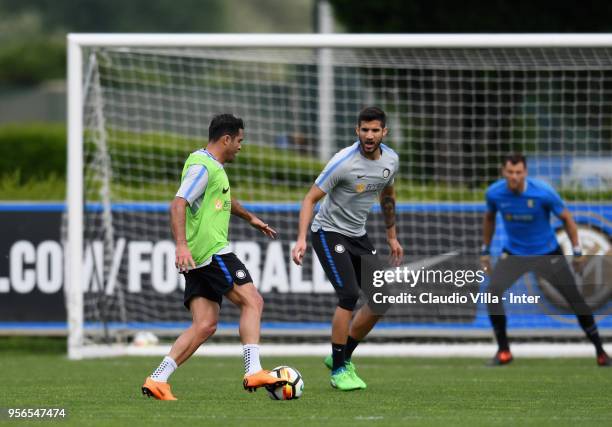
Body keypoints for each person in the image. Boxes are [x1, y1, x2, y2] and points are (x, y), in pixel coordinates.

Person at [142, 114, 287, 400]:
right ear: (226, 139)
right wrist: (181, 245)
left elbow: (223, 199)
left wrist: (250, 218)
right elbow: (178, 203)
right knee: (253, 301)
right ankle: (253, 370)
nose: (240, 147)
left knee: (205, 324)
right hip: (210, 252)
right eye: (239, 141)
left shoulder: (210, 166)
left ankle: (158, 379)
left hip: (199, 257)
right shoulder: (202, 166)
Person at [291, 106, 404, 391]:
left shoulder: (391, 160)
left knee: (382, 298)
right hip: (328, 233)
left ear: (384, 132)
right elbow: (309, 199)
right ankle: (340, 370)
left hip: (358, 235)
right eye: (364, 130)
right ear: (357, 131)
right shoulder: (343, 161)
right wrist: (301, 238)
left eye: (375, 130)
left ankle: (340, 355)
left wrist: (392, 237)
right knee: (349, 294)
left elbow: (387, 196)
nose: (369, 135)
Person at [481, 153, 610, 366]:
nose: (514, 177)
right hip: (515, 254)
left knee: (575, 299)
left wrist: (577, 251)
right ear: (503, 172)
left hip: (547, 253)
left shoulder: (543, 192)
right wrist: (485, 251)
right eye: (510, 172)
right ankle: (504, 352)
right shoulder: (494, 194)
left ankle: (601, 352)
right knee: (493, 293)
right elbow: (489, 218)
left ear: (525, 172)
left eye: (519, 172)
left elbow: (567, 219)